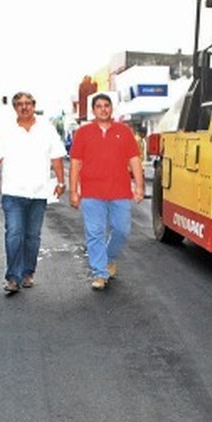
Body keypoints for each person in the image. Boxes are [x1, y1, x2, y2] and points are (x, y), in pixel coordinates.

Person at [0, 92, 66, 293]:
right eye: (19, 104)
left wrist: (61, 181)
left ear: (34, 105)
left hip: (39, 193)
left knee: (32, 236)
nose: (24, 107)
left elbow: (57, 157)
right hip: (13, 192)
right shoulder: (6, 131)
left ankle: (28, 272)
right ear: (14, 108)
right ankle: (13, 278)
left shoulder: (47, 129)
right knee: (14, 234)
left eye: (27, 103)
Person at [69, 93, 145, 291]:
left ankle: (108, 259)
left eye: (106, 106)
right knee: (95, 233)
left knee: (122, 230)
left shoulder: (124, 131)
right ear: (93, 110)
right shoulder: (83, 133)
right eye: (99, 106)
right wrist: (73, 191)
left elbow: (134, 159)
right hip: (92, 192)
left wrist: (139, 186)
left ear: (111, 109)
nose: (103, 109)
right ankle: (100, 273)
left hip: (119, 192)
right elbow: (76, 163)